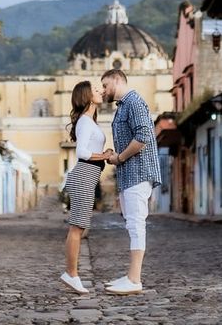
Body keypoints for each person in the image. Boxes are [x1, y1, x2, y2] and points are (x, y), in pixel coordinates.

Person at [101, 67, 161, 295]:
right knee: (131, 223)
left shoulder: (134, 101)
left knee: (136, 224)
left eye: (105, 85)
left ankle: (135, 279)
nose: (104, 90)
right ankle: (130, 275)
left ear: (117, 80)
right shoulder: (123, 106)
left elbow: (143, 138)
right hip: (129, 174)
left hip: (138, 171)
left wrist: (119, 157)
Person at [60, 79, 115, 295]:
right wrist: (104, 155)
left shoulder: (89, 121)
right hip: (84, 174)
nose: (101, 91)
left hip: (88, 175)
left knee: (79, 227)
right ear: (86, 95)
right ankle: (71, 274)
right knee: (77, 228)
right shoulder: (84, 121)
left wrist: (105, 154)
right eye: (95, 89)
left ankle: (71, 274)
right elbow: (81, 152)